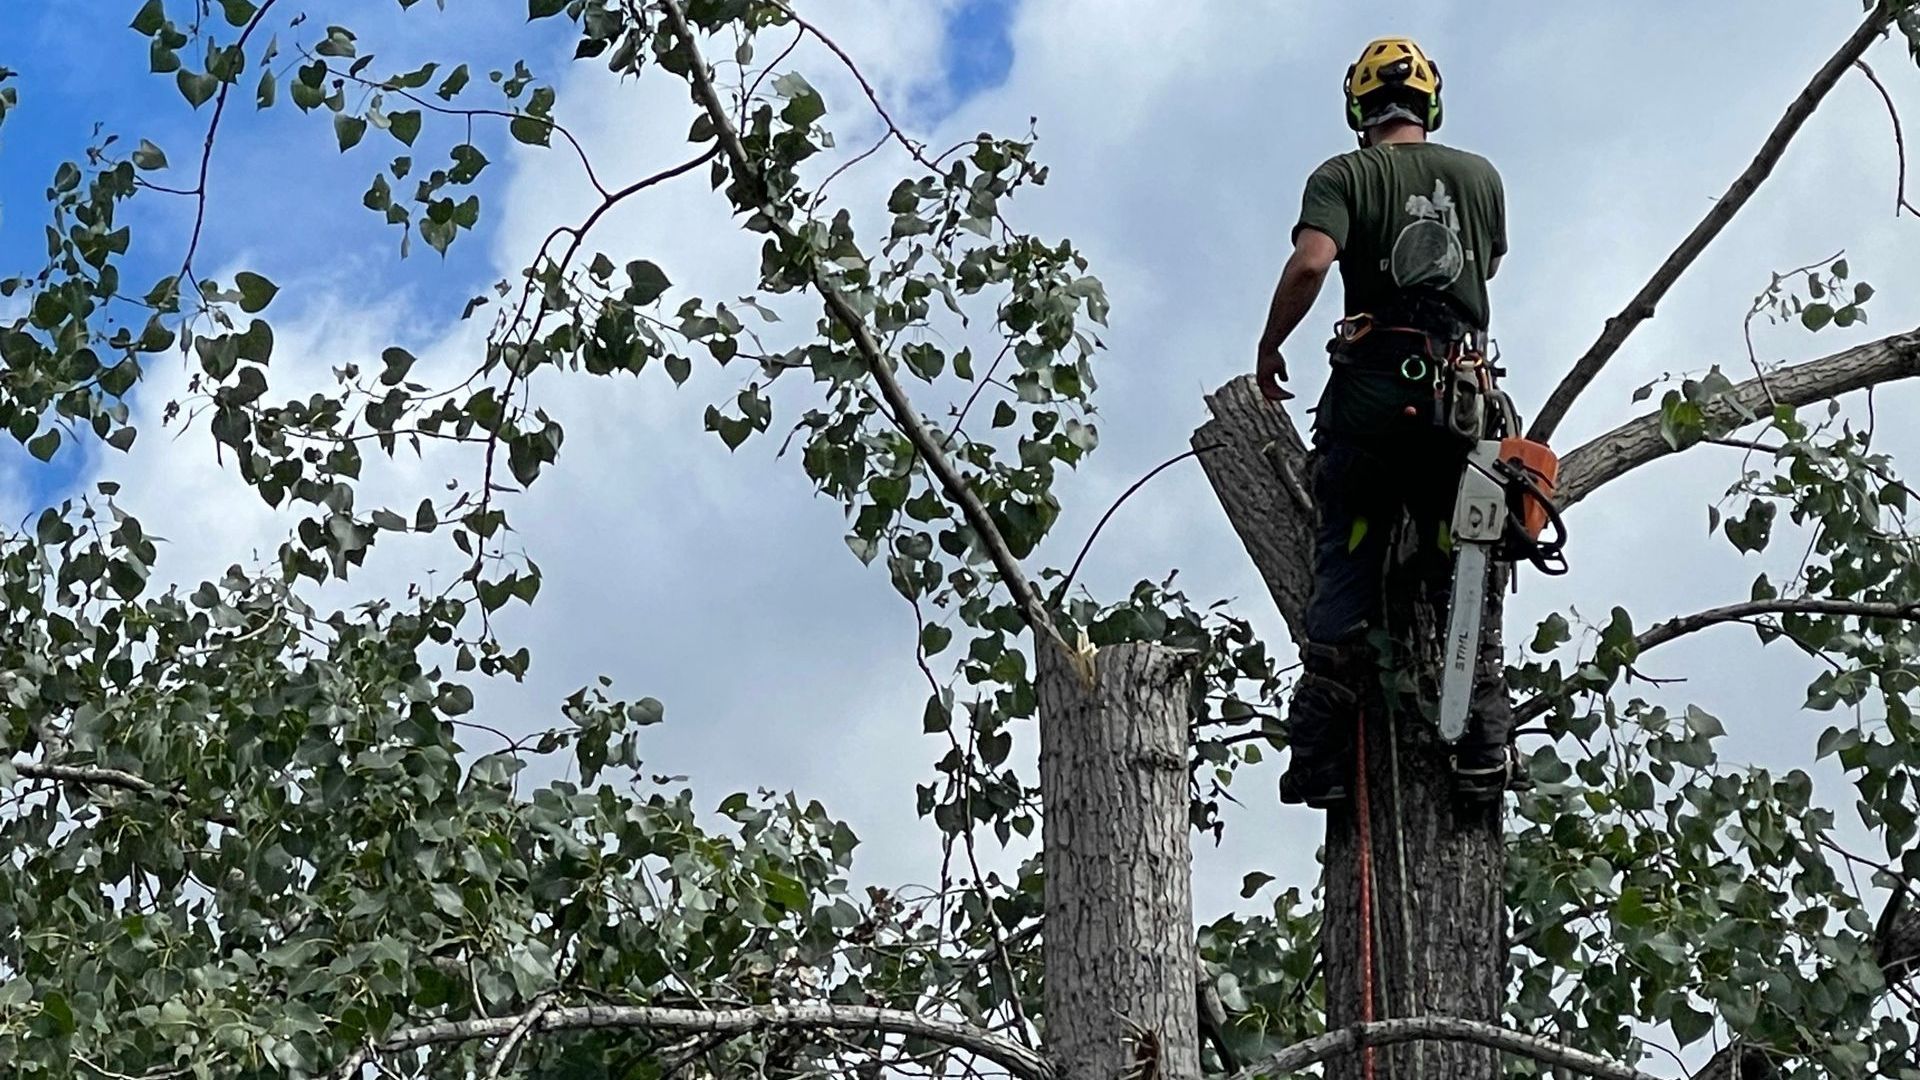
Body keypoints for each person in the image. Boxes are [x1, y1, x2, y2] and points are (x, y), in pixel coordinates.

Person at [1255, 36, 1515, 807]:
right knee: (1470, 563)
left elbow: (1311, 263)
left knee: (1348, 552)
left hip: (1369, 406)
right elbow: (1486, 266)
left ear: (1357, 110)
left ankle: (1325, 761)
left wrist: (1272, 342)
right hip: (1459, 405)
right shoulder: (1480, 177)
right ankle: (1480, 747)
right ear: (1430, 105)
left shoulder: (1342, 175)